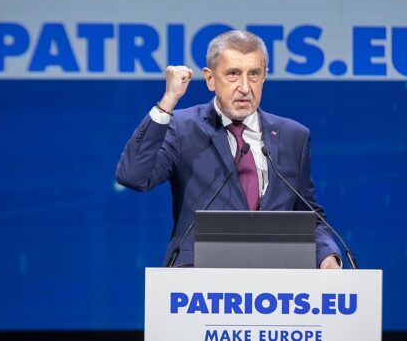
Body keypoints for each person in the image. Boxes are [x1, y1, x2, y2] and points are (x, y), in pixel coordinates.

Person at [116, 30, 342, 269]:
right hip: (198, 280)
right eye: (233, 74)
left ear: (264, 76)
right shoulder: (182, 128)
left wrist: (327, 255)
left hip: (275, 279)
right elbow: (133, 176)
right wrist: (167, 102)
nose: (244, 87)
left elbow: (307, 213)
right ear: (210, 79)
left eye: (253, 74)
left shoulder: (292, 136)